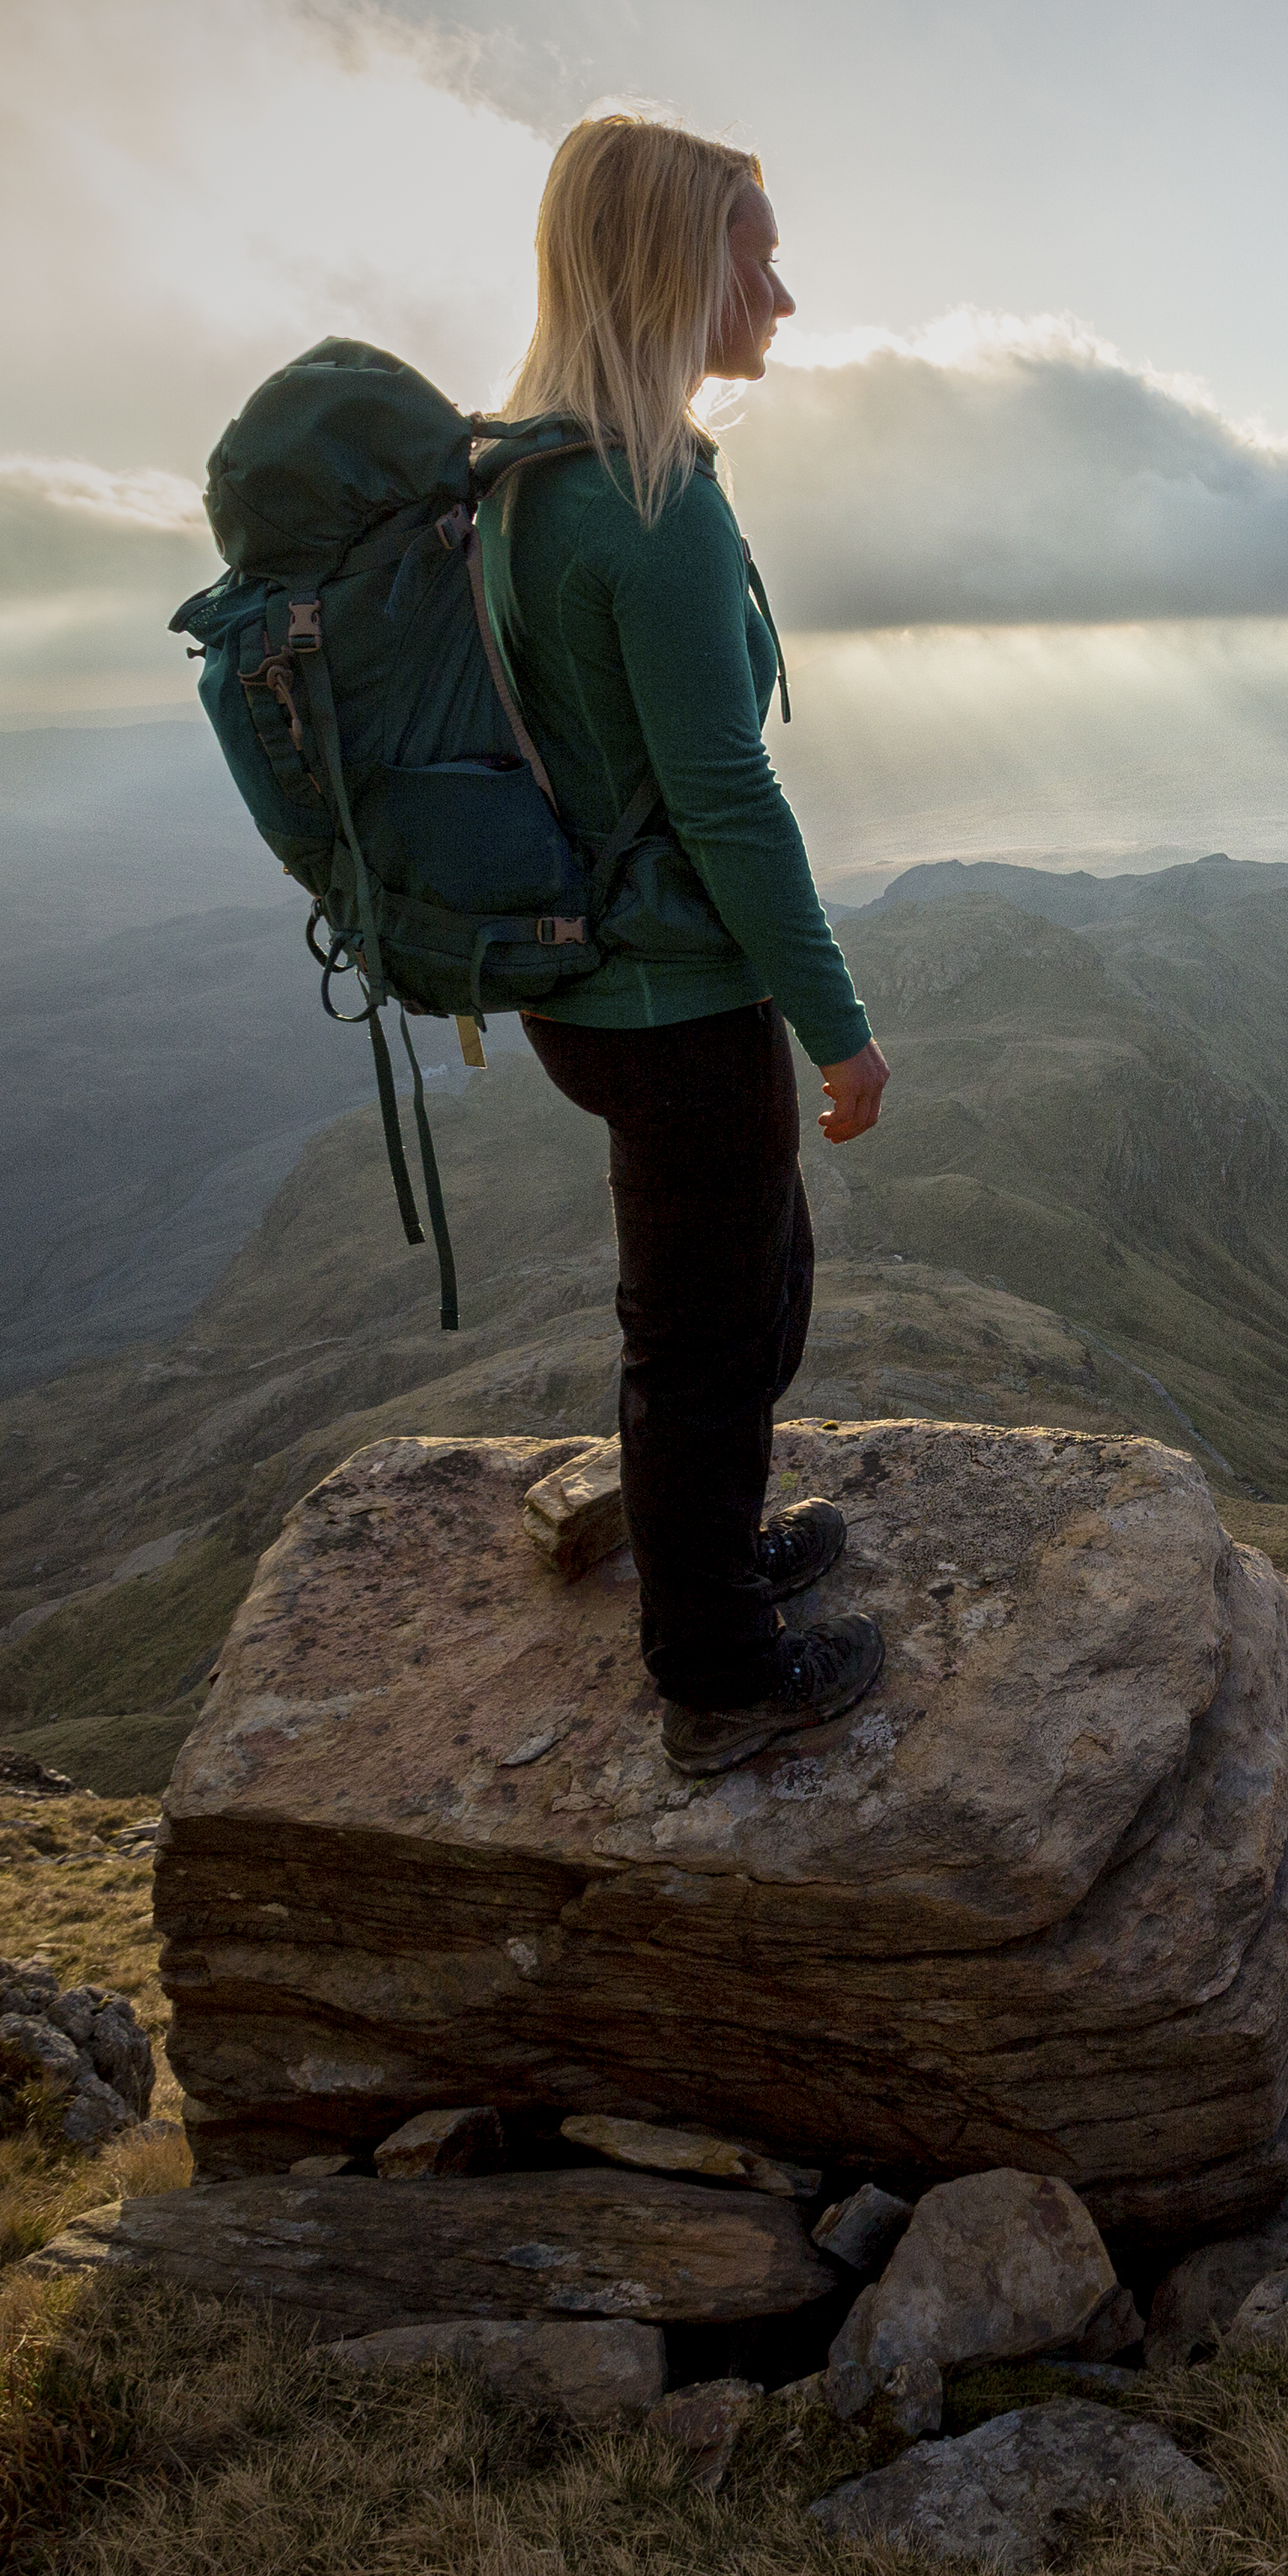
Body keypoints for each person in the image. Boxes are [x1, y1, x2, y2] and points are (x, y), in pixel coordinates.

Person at [495, 111, 893, 1776]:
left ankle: (703, 1541)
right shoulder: (645, 503)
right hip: (672, 993)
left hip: (597, 983)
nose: (784, 296)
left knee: (739, 1304)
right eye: (756, 252)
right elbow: (725, 796)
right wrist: (839, 1028)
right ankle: (717, 1667)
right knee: (713, 1328)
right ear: (674, 262)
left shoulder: (530, 475)